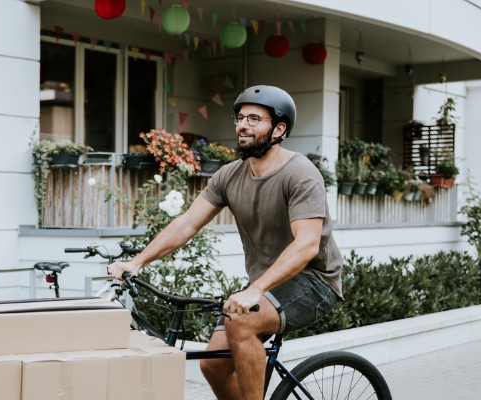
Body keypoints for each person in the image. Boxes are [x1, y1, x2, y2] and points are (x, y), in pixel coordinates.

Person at [108, 85, 343, 400]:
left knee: (242, 321)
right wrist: (137, 262)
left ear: (279, 129)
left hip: (314, 281)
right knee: (213, 365)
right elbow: (187, 223)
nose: (243, 125)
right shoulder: (229, 175)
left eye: (254, 119)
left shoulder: (301, 174)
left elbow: (307, 245)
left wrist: (255, 289)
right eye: (240, 118)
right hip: (265, 284)